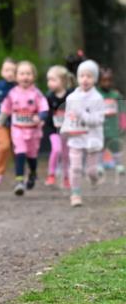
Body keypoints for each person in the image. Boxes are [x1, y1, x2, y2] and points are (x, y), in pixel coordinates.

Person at [0, 61, 48, 195]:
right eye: (21, 74)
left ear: (33, 76)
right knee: (20, 151)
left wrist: (40, 117)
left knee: (32, 155)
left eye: (28, 74)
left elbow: (44, 107)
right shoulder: (12, 93)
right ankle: (19, 181)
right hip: (18, 129)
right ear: (16, 77)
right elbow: (5, 108)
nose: (25, 77)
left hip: (33, 131)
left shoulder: (36, 93)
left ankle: (32, 173)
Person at [62, 60, 106, 207]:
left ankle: (94, 177)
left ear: (95, 79)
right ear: (77, 78)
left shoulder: (98, 98)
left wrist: (82, 114)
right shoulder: (71, 98)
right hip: (76, 137)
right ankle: (75, 194)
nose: (85, 79)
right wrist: (64, 128)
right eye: (82, 76)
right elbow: (68, 117)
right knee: (75, 167)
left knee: (91, 171)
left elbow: (98, 119)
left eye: (89, 76)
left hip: (92, 138)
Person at [43, 65, 74, 188]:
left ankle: (66, 178)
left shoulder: (71, 96)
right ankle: (51, 175)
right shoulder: (48, 97)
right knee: (56, 150)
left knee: (66, 155)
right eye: (48, 80)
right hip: (53, 130)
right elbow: (44, 111)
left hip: (67, 131)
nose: (49, 83)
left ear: (62, 81)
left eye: (52, 79)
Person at [97, 66, 124, 179]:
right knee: (100, 146)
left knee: (115, 145)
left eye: (109, 80)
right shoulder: (96, 94)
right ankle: (99, 165)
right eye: (104, 80)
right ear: (99, 81)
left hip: (113, 125)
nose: (107, 83)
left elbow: (122, 108)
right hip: (100, 126)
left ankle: (118, 164)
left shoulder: (116, 95)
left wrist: (123, 123)